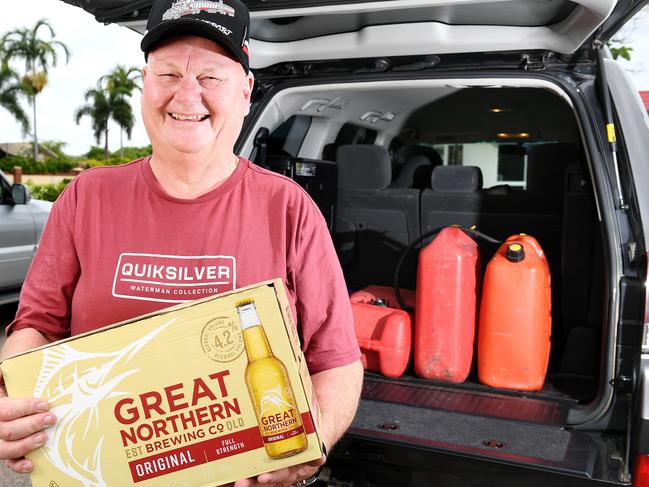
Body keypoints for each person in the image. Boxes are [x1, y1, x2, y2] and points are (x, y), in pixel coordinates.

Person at [0, 1, 364, 485]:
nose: (186, 94)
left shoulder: (288, 209)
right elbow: (35, 329)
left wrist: (310, 443)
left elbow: (336, 360)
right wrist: (14, 404)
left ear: (246, 90)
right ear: (145, 85)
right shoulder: (87, 197)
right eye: (168, 73)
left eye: (211, 76)